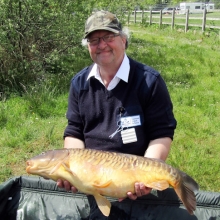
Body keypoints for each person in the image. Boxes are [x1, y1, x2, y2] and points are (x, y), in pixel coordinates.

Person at [57, 10, 177, 218]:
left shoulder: (150, 81)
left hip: (133, 176)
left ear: (123, 40)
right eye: (94, 40)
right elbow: (74, 131)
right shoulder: (79, 83)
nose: (101, 45)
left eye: (108, 37)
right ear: (88, 47)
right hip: (92, 177)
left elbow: (162, 133)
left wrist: (145, 175)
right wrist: (72, 169)